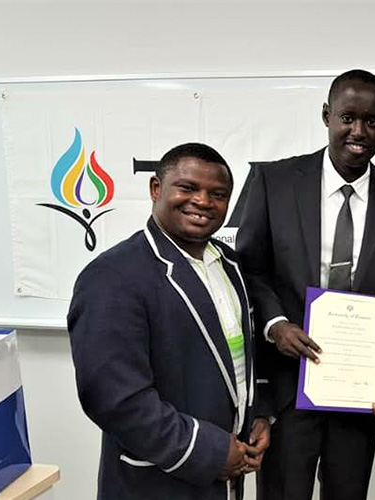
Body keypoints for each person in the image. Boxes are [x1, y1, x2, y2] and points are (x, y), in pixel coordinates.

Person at [236, 69, 375, 500]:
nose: (359, 131)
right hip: (287, 387)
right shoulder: (274, 182)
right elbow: (250, 268)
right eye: (347, 117)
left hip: (358, 399)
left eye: (372, 121)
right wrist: (275, 324)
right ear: (326, 116)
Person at [68, 143, 270, 500]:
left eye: (218, 194)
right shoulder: (112, 276)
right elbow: (116, 400)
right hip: (158, 483)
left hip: (225, 476)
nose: (204, 201)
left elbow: (239, 359)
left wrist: (257, 417)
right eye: (188, 188)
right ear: (155, 189)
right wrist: (208, 451)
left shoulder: (230, 264)